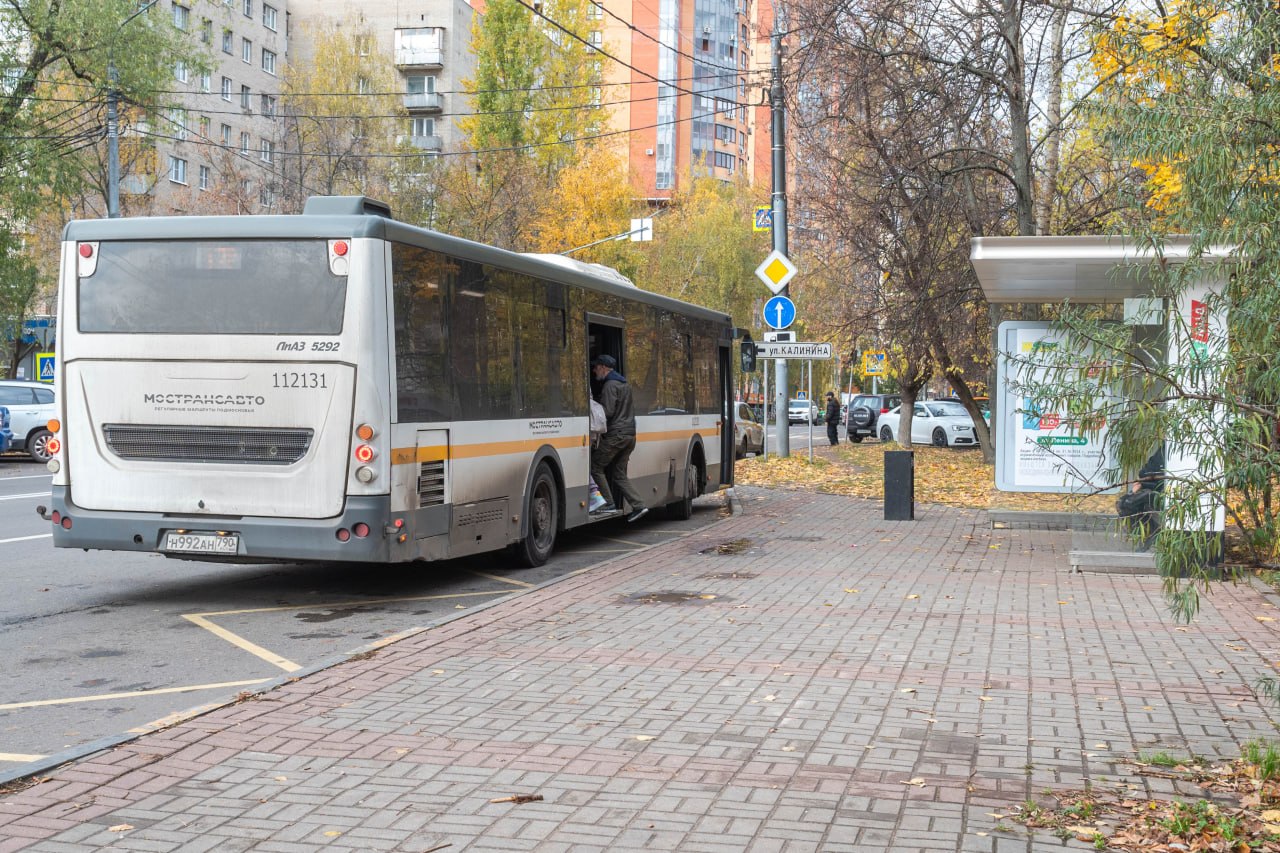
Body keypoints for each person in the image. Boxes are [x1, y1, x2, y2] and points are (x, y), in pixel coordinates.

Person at [589, 354, 648, 522]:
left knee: (595, 466)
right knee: (619, 474)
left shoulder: (610, 385)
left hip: (616, 435)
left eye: (596, 367)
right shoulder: (624, 384)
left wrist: (592, 409)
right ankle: (639, 505)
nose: (594, 371)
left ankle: (608, 503)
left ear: (603, 367)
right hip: (630, 435)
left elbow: (606, 412)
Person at [1117, 444, 1164, 547]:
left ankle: (1150, 534)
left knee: (1129, 502)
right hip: (1152, 488)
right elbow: (1144, 472)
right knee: (1123, 503)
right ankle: (1149, 533)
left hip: (1165, 492)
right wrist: (1139, 486)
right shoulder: (1164, 450)